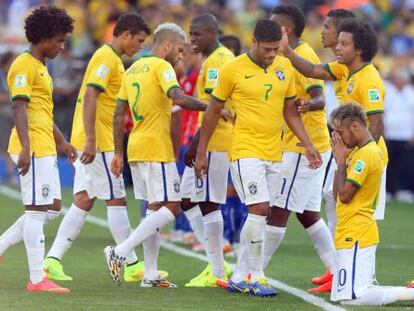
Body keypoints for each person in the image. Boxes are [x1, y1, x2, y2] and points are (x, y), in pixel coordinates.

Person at [195, 20, 322, 297]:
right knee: (260, 208)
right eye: (267, 49)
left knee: (261, 215)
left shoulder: (284, 66)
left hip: (274, 152)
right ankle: (258, 275)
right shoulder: (232, 69)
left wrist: (308, 144)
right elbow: (213, 111)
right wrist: (201, 151)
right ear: (253, 41)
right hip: (244, 151)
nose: (271, 54)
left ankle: (240, 275)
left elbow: (290, 111)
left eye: (276, 49)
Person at [43, 13, 154, 283]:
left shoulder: (112, 58)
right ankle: (130, 263)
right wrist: (91, 139)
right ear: (125, 33)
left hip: (94, 139)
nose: (139, 46)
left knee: (84, 199)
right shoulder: (107, 58)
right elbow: (91, 94)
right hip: (98, 141)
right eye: (138, 41)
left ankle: (51, 260)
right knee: (116, 199)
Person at [279, 18, 387, 287]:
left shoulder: (369, 78)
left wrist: (360, 157)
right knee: (339, 208)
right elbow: (314, 69)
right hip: (349, 155)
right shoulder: (345, 70)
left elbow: (376, 123)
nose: (337, 48)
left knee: (362, 215)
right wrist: (288, 52)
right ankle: (344, 274)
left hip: (368, 160)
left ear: (359, 48)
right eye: (337, 42)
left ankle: (368, 280)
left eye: (343, 44)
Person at [104, 23, 213, 288]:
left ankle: (150, 274)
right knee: (172, 206)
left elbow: (119, 113)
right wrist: (211, 109)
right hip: (155, 146)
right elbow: (178, 98)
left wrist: (119, 151)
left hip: (136, 147)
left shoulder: (132, 69)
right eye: (178, 49)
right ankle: (120, 251)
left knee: (154, 208)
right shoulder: (161, 67)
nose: (180, 54)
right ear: (166, 45)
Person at [0, 6, 75, 293]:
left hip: (44, 144)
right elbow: (19, 105)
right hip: (30, 147)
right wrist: (26, 147)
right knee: (35, 211)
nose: (61, 45)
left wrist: (62, 141)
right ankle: (36, 278)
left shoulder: (41, 67)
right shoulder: (23, 64)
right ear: (42, 37)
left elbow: (41, 111)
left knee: (52, 208)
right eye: (58, 40)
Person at [262, 5, 336, 294]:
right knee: (307, 212)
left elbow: (319, 97)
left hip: (303, 146)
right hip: (299, 144)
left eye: (272, 25)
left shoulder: (303, 55)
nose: (267, 28)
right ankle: (338, 270)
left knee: (277, 208)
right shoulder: (283, 56)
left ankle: (252, 272)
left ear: (285, 30)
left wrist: (308, 104)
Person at [329, 102, 414, 306]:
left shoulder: (367, 154)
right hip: (350, 230)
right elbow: (336, 194)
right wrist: (338, 161)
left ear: (355, 127)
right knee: (346, 295)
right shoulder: (356, 152)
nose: (338, 137)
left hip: (357, 232)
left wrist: (341, 163)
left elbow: (346, 195)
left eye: (340, 131)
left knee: (351, 299)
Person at [180, 13, 234, 287]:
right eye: (190, 34)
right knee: (187, 199)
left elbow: (215, 110)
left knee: (208, 202)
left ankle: (216, 272)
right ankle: (216, 265)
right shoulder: (216, 59)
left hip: (215, 141)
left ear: (213, 32)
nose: (192, 39)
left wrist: (196, 145)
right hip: (212, 141)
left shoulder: (217, 63)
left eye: (197, 34)